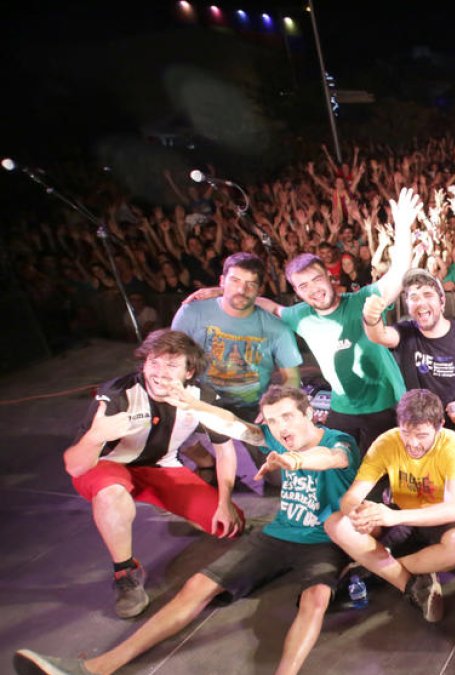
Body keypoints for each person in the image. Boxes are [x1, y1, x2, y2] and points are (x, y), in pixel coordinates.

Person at [15, 385, 360, 675]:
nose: (280, 427)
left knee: (315, 600)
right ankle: (95, 668)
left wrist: (296, 460)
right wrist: (192, 403)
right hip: (278, 534)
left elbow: (333, 459)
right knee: (196, 585)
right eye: (272, 420)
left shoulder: (339, 440)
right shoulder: (273, 438)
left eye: (287, 417)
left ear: (308, 415)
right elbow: (233, 424)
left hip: (325, 540)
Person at [62, 329, 243, 618]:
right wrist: (96, 436)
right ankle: (125, 573)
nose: (160, 373)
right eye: (154, 363)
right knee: (112, 494)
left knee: (229, 526)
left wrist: (224, 503)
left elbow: (226, 450)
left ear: (189, 371)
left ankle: (195, 506)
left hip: (161, 465)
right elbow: (73, 466)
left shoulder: (202, 396)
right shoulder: (117, 395)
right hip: (110, 467)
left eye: (171, 365)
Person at [253, 189, 423, 452]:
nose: (313, 290)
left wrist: (402, 228)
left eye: (317, 280)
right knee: (335, 464)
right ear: (297, 292)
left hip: (385, 404)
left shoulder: (362, 300)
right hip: (342, 406)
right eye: (303, 286)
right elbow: (271, 307)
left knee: (385, 470)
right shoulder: (299, 315)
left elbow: (399, 272)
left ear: (330, 277)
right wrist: (224, 291)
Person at [324, 389, 455, 623]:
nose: (412, 442)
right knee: (336, 523)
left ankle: (371, 572)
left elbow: (452, 509)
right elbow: (352, 496)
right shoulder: (387, 442)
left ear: (440, 426)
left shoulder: (454, 445)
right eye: (406, 432)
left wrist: (392, 518)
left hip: (439, 515)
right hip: (401, 510)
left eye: (422, 434)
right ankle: (412, 582)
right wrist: (356, 514)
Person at [363, 268, 455, 507]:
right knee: (411, 497)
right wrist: (371, 318)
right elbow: (380, 336)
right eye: (413, 297)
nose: (420, 302)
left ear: (442, 301)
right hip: (416, 431)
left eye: (427, 294)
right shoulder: (406, 332)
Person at [171, 252, 302, 488]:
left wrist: (277, 404)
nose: (242, 290)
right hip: (203, 399)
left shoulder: (275, 328)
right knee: (163, 426)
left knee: (278, 479)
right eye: (235, 281)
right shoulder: (192, 312)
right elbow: (173, 357)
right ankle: (206, 462)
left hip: (252, 404)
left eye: (251, 284)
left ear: (259, 289)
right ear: (221, 282)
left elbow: (291, 376)